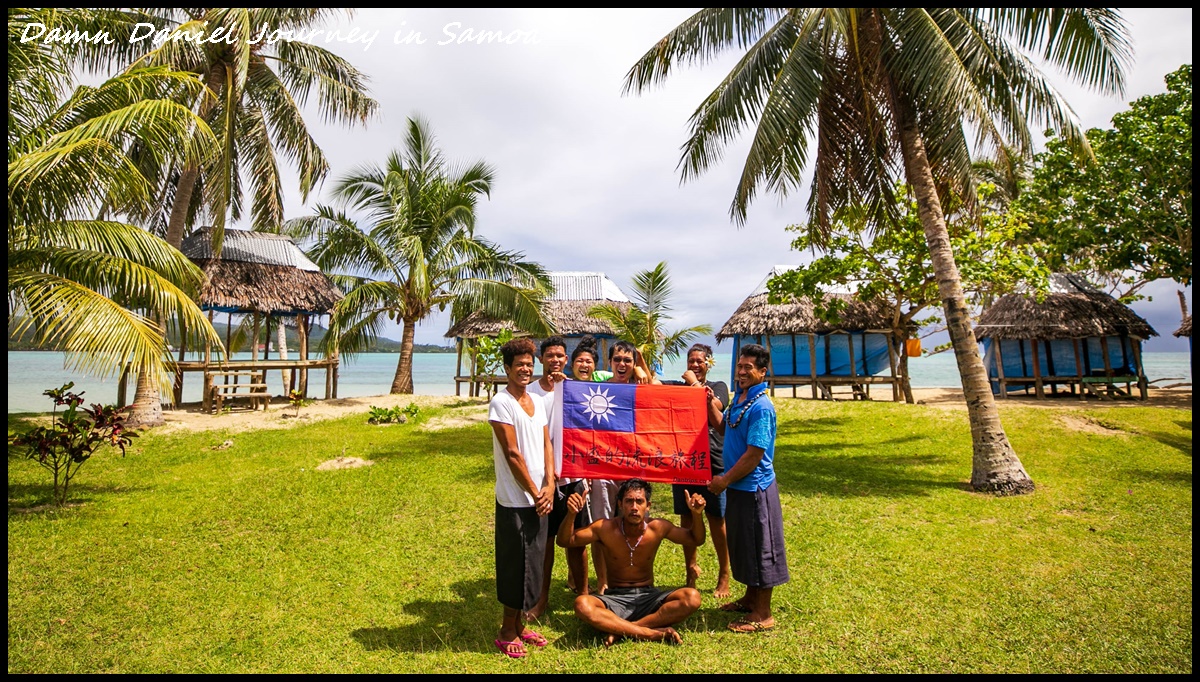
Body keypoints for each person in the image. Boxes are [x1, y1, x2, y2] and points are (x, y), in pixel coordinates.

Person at [557, 478, 705, 646]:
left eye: (639, 501)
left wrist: (697, 515)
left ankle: (623, 630)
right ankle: (649, 633)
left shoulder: (657, 527)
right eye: (629, 501)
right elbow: (565, 541)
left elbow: (695, 539)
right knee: (582, 604)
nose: (634, 507)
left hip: (649, 597)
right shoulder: (604, 528)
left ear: (647, 506)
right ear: (620, 504)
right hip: (615, 598)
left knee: (692, 597)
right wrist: (571, 513)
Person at [707, 343, 789, 633]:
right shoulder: (741, 399)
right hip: (739, 489)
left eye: (748, 368)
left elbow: (754, 454)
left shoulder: (762, 407)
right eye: (739, 366)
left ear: (763, 372)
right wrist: (709, 405)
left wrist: (724, 480)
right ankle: (750, 598)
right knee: (745, 545)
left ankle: (763, 614)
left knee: (761, 547)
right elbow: (724, 429)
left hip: (755, 489)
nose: (741, 372)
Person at [487, 338, 555, 658]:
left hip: (540, 496)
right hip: (516, 499)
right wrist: (533, 491)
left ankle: (521, 627)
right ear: (507, 369)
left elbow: (546, 446)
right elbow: (513, 455)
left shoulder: (537, 402)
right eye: (519, 365)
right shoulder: (501, 403)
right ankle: (506, 630)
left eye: (529, 364)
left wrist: (550, 486)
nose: (525, 369)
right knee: (516, 565)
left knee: (535, 564)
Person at [525, 335, 590, 620]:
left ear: (567, 359)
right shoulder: (528, 393)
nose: (555, 360)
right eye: (549, 355)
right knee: (545, 544)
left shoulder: (575, 389)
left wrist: (568, 388)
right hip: (542, 479)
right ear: (541, 359)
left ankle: (585, 597)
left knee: (576, 541)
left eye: (560, 356)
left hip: (573, 476)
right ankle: (541, 599)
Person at [663, 343, 732, 598]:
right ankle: (690, 570)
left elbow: (716, 406)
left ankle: (724, 572)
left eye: (699, 361)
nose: (694, 365)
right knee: (687, 518)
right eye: (690, 361)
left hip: (713, 461)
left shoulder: (720, 387)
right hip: (683, 461)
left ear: (709, 363)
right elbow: (651, 386)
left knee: (717, 519)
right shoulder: (678, 387)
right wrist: (640, 360)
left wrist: (693, 383)